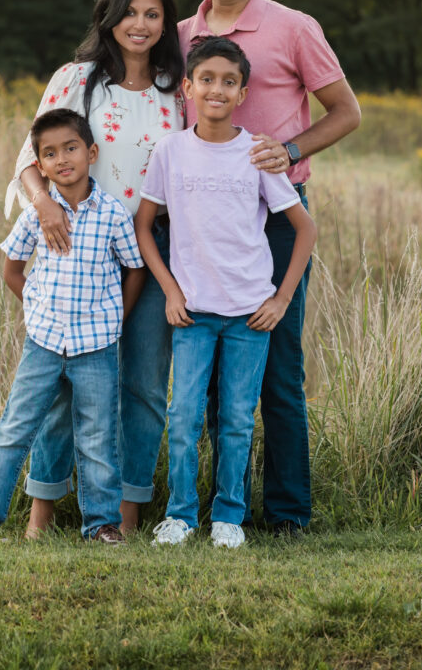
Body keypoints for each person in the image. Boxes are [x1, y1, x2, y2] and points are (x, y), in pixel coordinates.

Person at [177, 0, 361, 535]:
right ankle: (212, 508)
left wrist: (290, 150)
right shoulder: (179, 36)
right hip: (201, 223)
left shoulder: (293, 27)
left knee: (278, 365)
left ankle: (286, 515)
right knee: (204, 377)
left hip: (277, 220)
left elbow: (345, 112)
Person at [5, 0, 185, 535]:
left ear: (166, 23)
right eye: (129, 12)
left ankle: (125, 517)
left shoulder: (176, 90)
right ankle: (42, 512)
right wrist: (45, 205)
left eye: (152, 14)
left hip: (152, 250)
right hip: (79, 246)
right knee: (62, 384)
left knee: (144, 385)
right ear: (109, 14)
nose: (140, 24)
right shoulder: (77, 79)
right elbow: (28, 158)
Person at [135, 38, 317, 548]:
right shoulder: (170, 151)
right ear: (188, 87)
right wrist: (170, 291)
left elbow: (305, 229)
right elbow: (145, 228)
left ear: (242, 93)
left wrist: (280, 300)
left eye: (229, 82)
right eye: (207, 80)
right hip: (192, 313)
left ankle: (228, 519)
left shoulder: (257, 153)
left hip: (248, 315)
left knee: (237, 419)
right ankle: (180, 516)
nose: (217, 89)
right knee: (185, 416)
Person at [0, 108, 144, 544]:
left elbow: (134, 270)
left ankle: (101, 526)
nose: (62, 159)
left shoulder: (113, 215)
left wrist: (117, 318)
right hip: (43, 343)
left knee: (98, 437)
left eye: (71, 148)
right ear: (38, 165)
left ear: (91, 152)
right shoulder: (36, 217)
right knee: (15, 429)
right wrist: (39, 307)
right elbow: (11, 270)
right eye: (49, 153)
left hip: (96, 346)